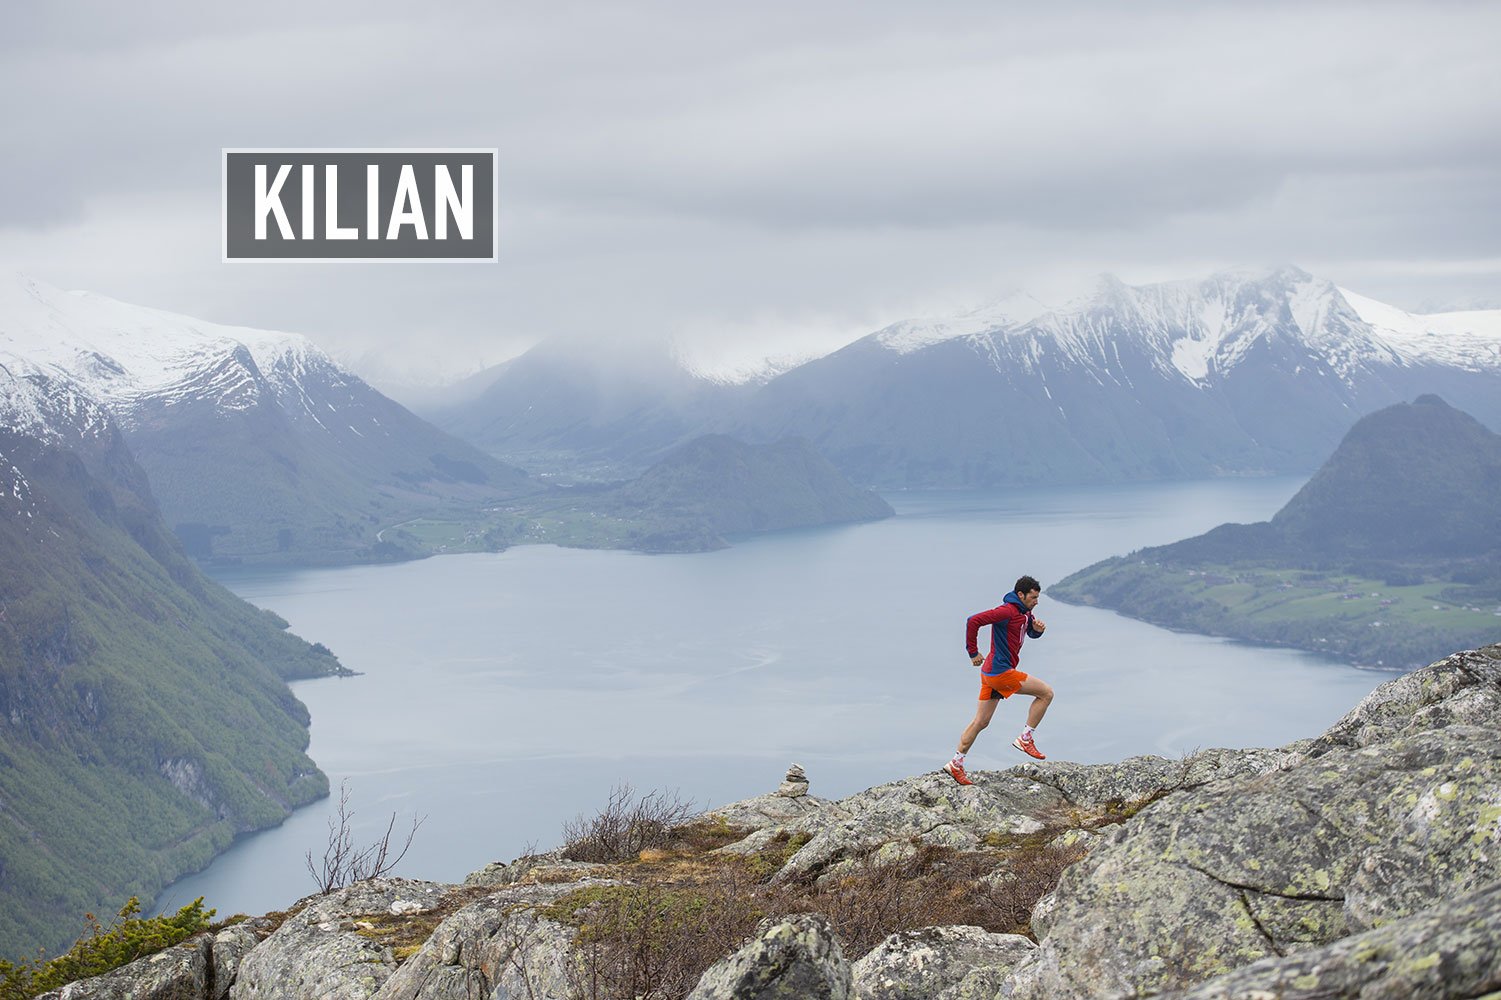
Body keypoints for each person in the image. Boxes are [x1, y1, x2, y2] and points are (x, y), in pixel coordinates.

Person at [943, 575, 1054, 785]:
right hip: (1001, 673)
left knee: (981, 722)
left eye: (1037, 597)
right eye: (1033, 597)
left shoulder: (1025, 611)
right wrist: (973, 652)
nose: (1037, 601)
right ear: (1020, 595)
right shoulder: (1007, 611)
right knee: (1046, 693)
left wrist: (1037, 632)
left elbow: (1025, 632)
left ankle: (956, 763)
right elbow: (973, 621)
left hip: (989, 674)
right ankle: (1025, 738)